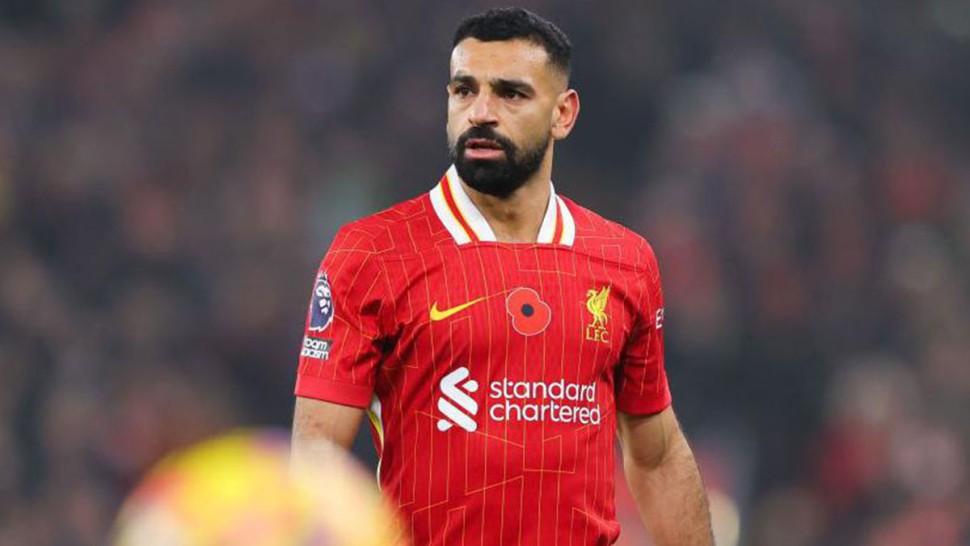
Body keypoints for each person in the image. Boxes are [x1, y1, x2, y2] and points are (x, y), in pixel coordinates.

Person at [291, 7, 713, 546]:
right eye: (464, 91)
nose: (480, 113)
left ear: (563, 113)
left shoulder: (624, 260)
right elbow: (317, 459)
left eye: (510, 94)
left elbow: (655, 455)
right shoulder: (373, 253)